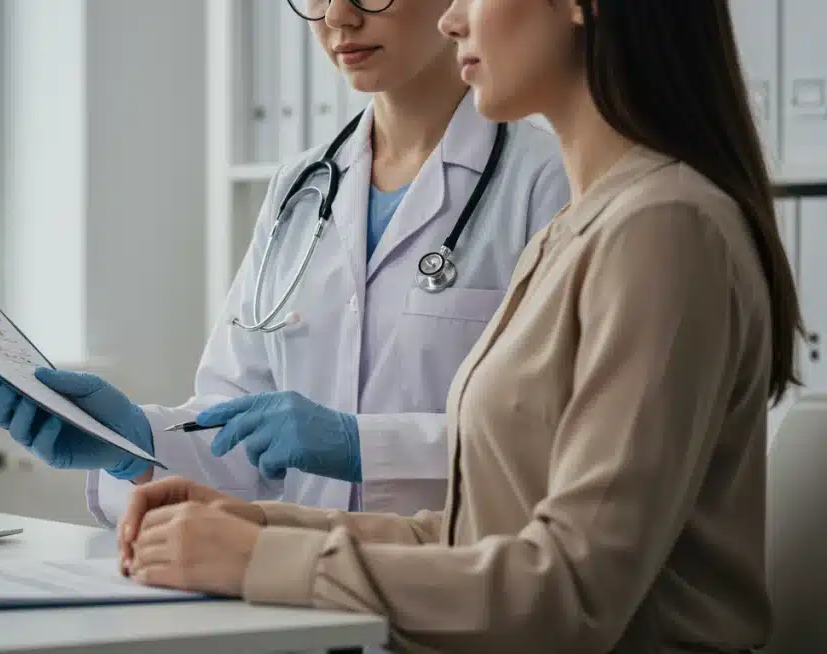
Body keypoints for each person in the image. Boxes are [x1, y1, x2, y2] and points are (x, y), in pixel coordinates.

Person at [115, 0, 802, 652]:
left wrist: (264, 561)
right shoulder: (581, 227)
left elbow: (571, 591)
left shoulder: (661, 228)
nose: (453, 18)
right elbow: (479, 535)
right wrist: (262, 523)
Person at [0, 0, 569, 525]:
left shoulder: (550, 181)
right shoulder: (301, 187)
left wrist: (362, 444)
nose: (338, 16)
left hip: (461, 600)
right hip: (301, 594)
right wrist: (132, 441)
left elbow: (554, 432)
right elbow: (238, 420)